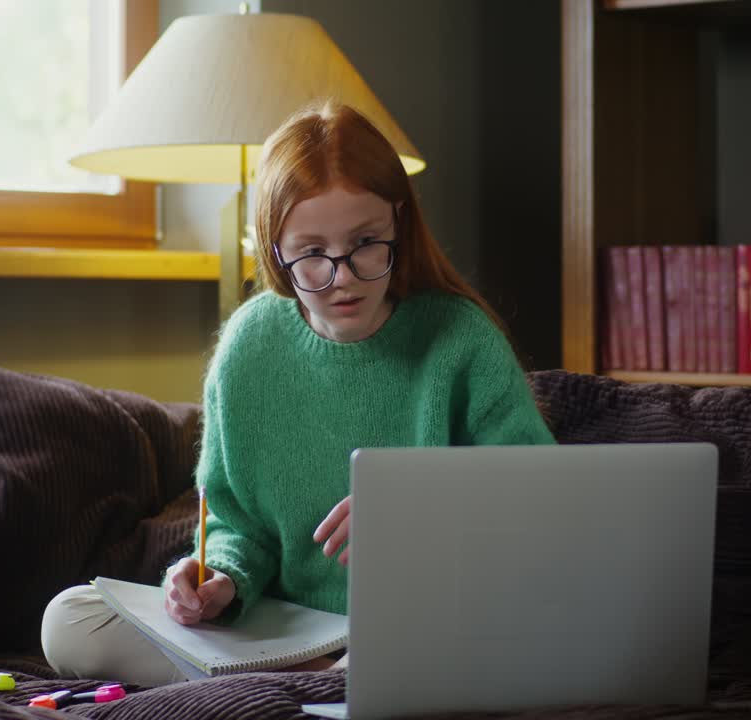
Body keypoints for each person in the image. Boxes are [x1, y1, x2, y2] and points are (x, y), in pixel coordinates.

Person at [40, 101, 556, 686]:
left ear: (400, 224)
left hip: (421, 615)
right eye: (311, 253)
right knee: (70, 620)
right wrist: (217, 578)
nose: (342, 277)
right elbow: (235, 522)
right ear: (275, 248)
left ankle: (314, 679)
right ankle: (314, 677)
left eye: (366, 242)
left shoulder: (460, 341)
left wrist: (423, 508)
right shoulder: (248, 346)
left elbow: (539, 499)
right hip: (284, 625)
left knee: (429, 649)